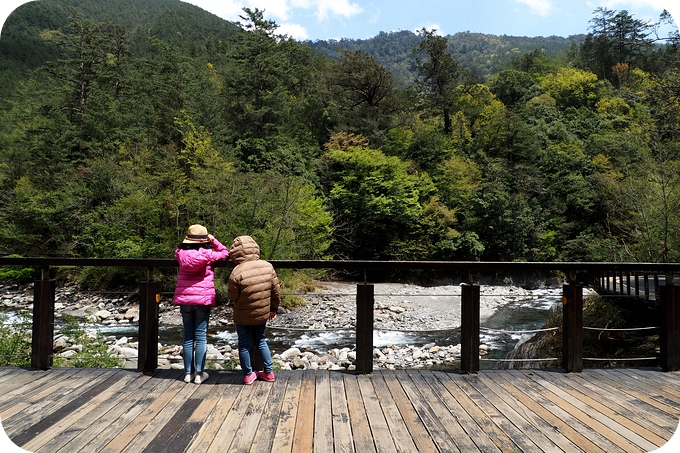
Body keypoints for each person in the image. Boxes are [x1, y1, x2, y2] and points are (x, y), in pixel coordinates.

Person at [174, 224, 229, 384]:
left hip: (185, 299)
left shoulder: (180, 253)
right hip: (202, 299)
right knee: (201, 336)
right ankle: (199, 374)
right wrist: (213, 241)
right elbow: (225, 253)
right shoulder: (207, 254)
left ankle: (187, 373)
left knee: (188, 337)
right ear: (203, 240)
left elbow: (178, 253)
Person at [228, 235, 281, 385]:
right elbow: (276, 291)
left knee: (244, 344)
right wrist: (273, 309)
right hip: (262, 313)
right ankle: (269, 372)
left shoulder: (236, 272)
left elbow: (232, 296)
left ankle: (248, 375)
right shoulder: (267, 266)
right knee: (261, 340)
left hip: (242, 314)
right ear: (255, 249)